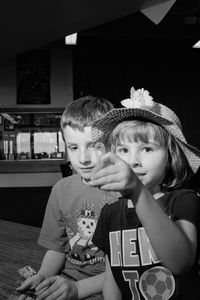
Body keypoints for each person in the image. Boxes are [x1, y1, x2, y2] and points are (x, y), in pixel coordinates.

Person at [88, 87, 200, 300]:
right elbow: (112, 280)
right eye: (123, 150)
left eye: (147, 149)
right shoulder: (109, 214)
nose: (133, 161)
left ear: (171, 157)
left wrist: (138, 192)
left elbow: (181, 263)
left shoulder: (184, 201)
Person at [16, 95, 120, 300]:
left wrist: (76, 289)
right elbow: (58, 249)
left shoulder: (123, 194)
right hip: (65, 281)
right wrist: (43, 281)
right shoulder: (61, 190)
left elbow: (124, 268)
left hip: (111, 287)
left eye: (93, 146)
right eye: (73, 147)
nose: (83, 158)